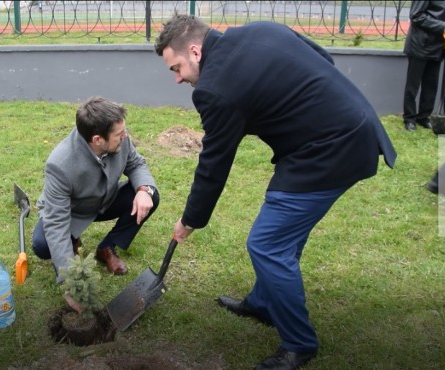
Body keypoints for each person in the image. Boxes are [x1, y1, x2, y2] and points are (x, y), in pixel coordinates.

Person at [155, 15, 397, 370]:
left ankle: (299, 343)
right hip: (342, 130)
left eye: (177, 68)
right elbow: (321, 58)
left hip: (331, 150)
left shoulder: (213, 88)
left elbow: (214, 163)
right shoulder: (260, 29)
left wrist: (190, 220)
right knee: (280, 237)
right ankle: (265, 303)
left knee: (267, 244)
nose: (178, 79)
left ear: (195, 51)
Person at [31, 96, 159, 309]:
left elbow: (136, 164)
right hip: (74, 212)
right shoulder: (59, 165)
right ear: (97, 139)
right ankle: (73, 243)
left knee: (151, 197)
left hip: (106, 200)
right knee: (43, 245)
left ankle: (107, 247)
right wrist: (71, 281)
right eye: (119, 135)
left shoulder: (119, 136)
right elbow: (56, 223)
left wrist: (144, 190)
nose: (125, 137)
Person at [402, 1, 445, 131]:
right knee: (413, 85)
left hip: (438, 45)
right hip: (420, 43)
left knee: (431, 85)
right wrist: (443, 26)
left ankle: (424, 116)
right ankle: (409, 118)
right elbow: (416, 15)